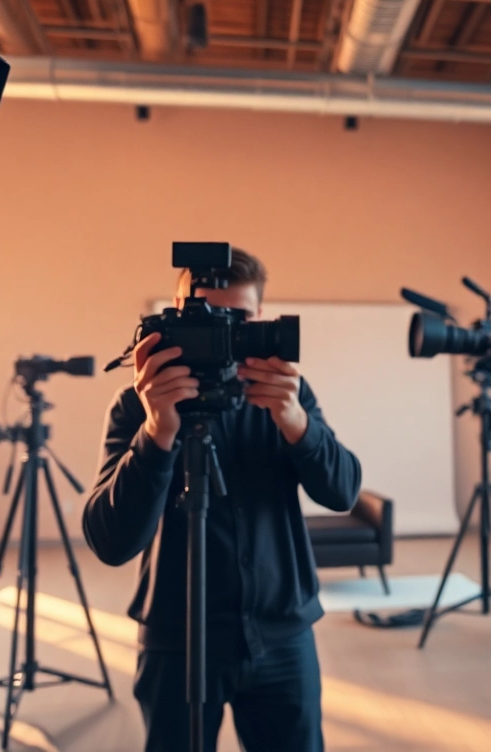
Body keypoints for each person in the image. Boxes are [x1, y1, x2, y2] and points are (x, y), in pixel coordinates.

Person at [84, 248, 361, 752]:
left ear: (259, 321)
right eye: (207, 321)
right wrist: (157, 430)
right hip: (177, 638)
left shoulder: (284, 396)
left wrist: (297, 423)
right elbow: (111, 541)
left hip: (282, 633)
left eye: (238, 322)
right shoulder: (137, 405)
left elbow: (342, 491)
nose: (222, 339)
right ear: (173, 317)